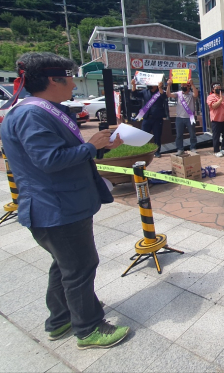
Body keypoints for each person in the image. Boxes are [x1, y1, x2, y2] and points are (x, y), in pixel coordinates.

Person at [2, 52, 130, 350]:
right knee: (80, 267)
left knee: (65, 266)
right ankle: (88, 328)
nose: (74, 84)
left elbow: (59, 153)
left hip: (56, 205)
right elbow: (50, 160)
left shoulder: (37, 111)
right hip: (56, 208)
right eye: (70, 78)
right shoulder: (32, 115)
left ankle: (61, 319)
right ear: (53, 80)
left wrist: (100, 147)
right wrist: (90, 147)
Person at [131, 76, 168, 158]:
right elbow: (135, 94)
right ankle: (144, 152)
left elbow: (164, 97)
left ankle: (157, 152)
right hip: (147, 117)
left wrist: (160, 88)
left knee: (157, 136)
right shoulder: (145, 92)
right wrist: (134, 85)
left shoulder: (160, 92)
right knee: (143, 135)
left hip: (157, 118)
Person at [166, 77, 199, 154]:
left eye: (185, 85)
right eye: (182, 85)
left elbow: (196, 94)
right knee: (179, 135)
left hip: (190, 117)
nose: (183, 87)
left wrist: (192, 84)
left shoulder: (191, 94)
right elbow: (168, 94)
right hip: (179, 118)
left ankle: (193, 147)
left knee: (192, 134)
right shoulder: (179, 93)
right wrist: (168, 85)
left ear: (188, 86)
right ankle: (180, 149)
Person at [206, 83, 224, 157]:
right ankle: (216, 150)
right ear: (213, 90)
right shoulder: (210, 97)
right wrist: (220, 99)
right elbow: (213, 106)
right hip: (216, 120)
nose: (219, 89)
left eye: (220, 88)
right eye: (217, 88)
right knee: (216, 136)